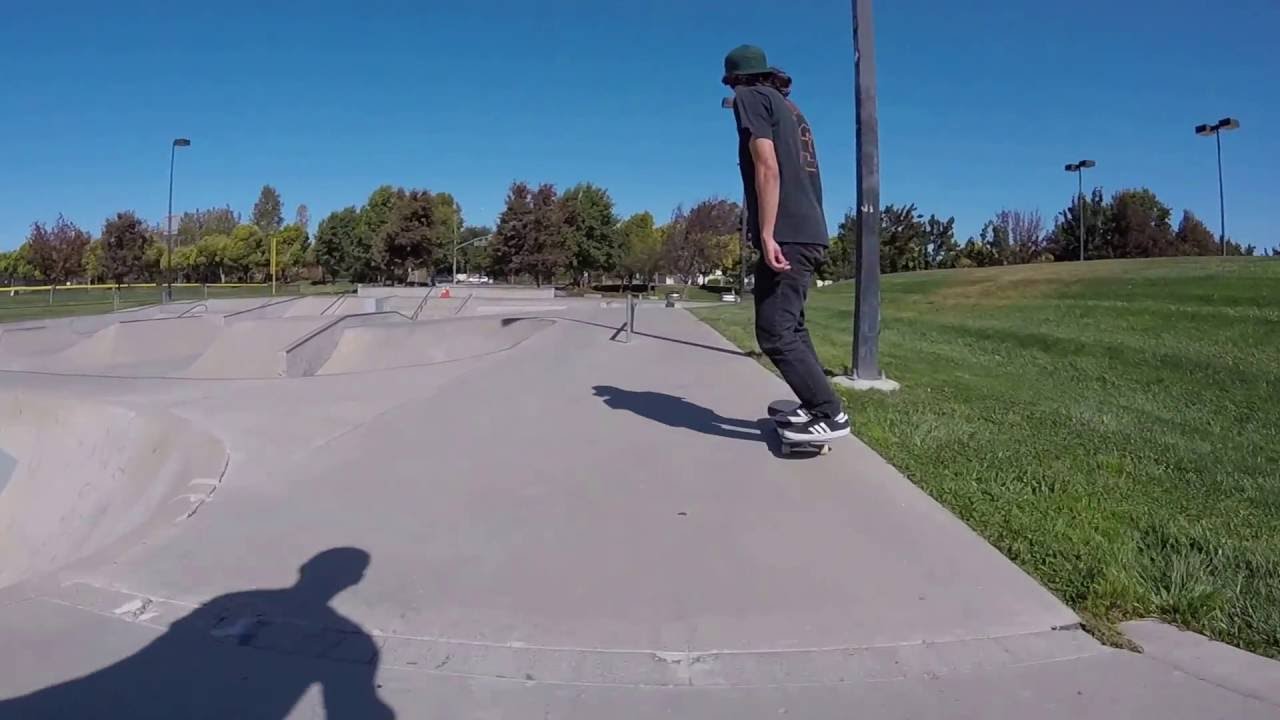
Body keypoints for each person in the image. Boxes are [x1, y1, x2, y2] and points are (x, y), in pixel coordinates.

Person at [723, 44, 850, 442]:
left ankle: (829, 413)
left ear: (735, 80)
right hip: (809, 228)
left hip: (788, 231)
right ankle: (817, 405)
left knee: (774, 331)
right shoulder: (791, 110)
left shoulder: (750, 98)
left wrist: (766, 231)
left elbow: (767, 166)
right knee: (792, 325)